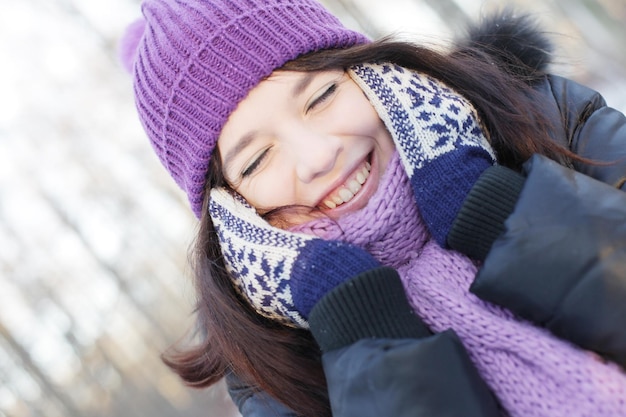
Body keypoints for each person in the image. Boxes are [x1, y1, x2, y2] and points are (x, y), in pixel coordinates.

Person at [119, 0, 626, 416]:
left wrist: (496, 215)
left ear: (371, 74)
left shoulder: (544, 120)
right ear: (230, 210)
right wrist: (360, 328)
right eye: (256, 160)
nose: (319, 157)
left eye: (321, 97)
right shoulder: (271, 375)